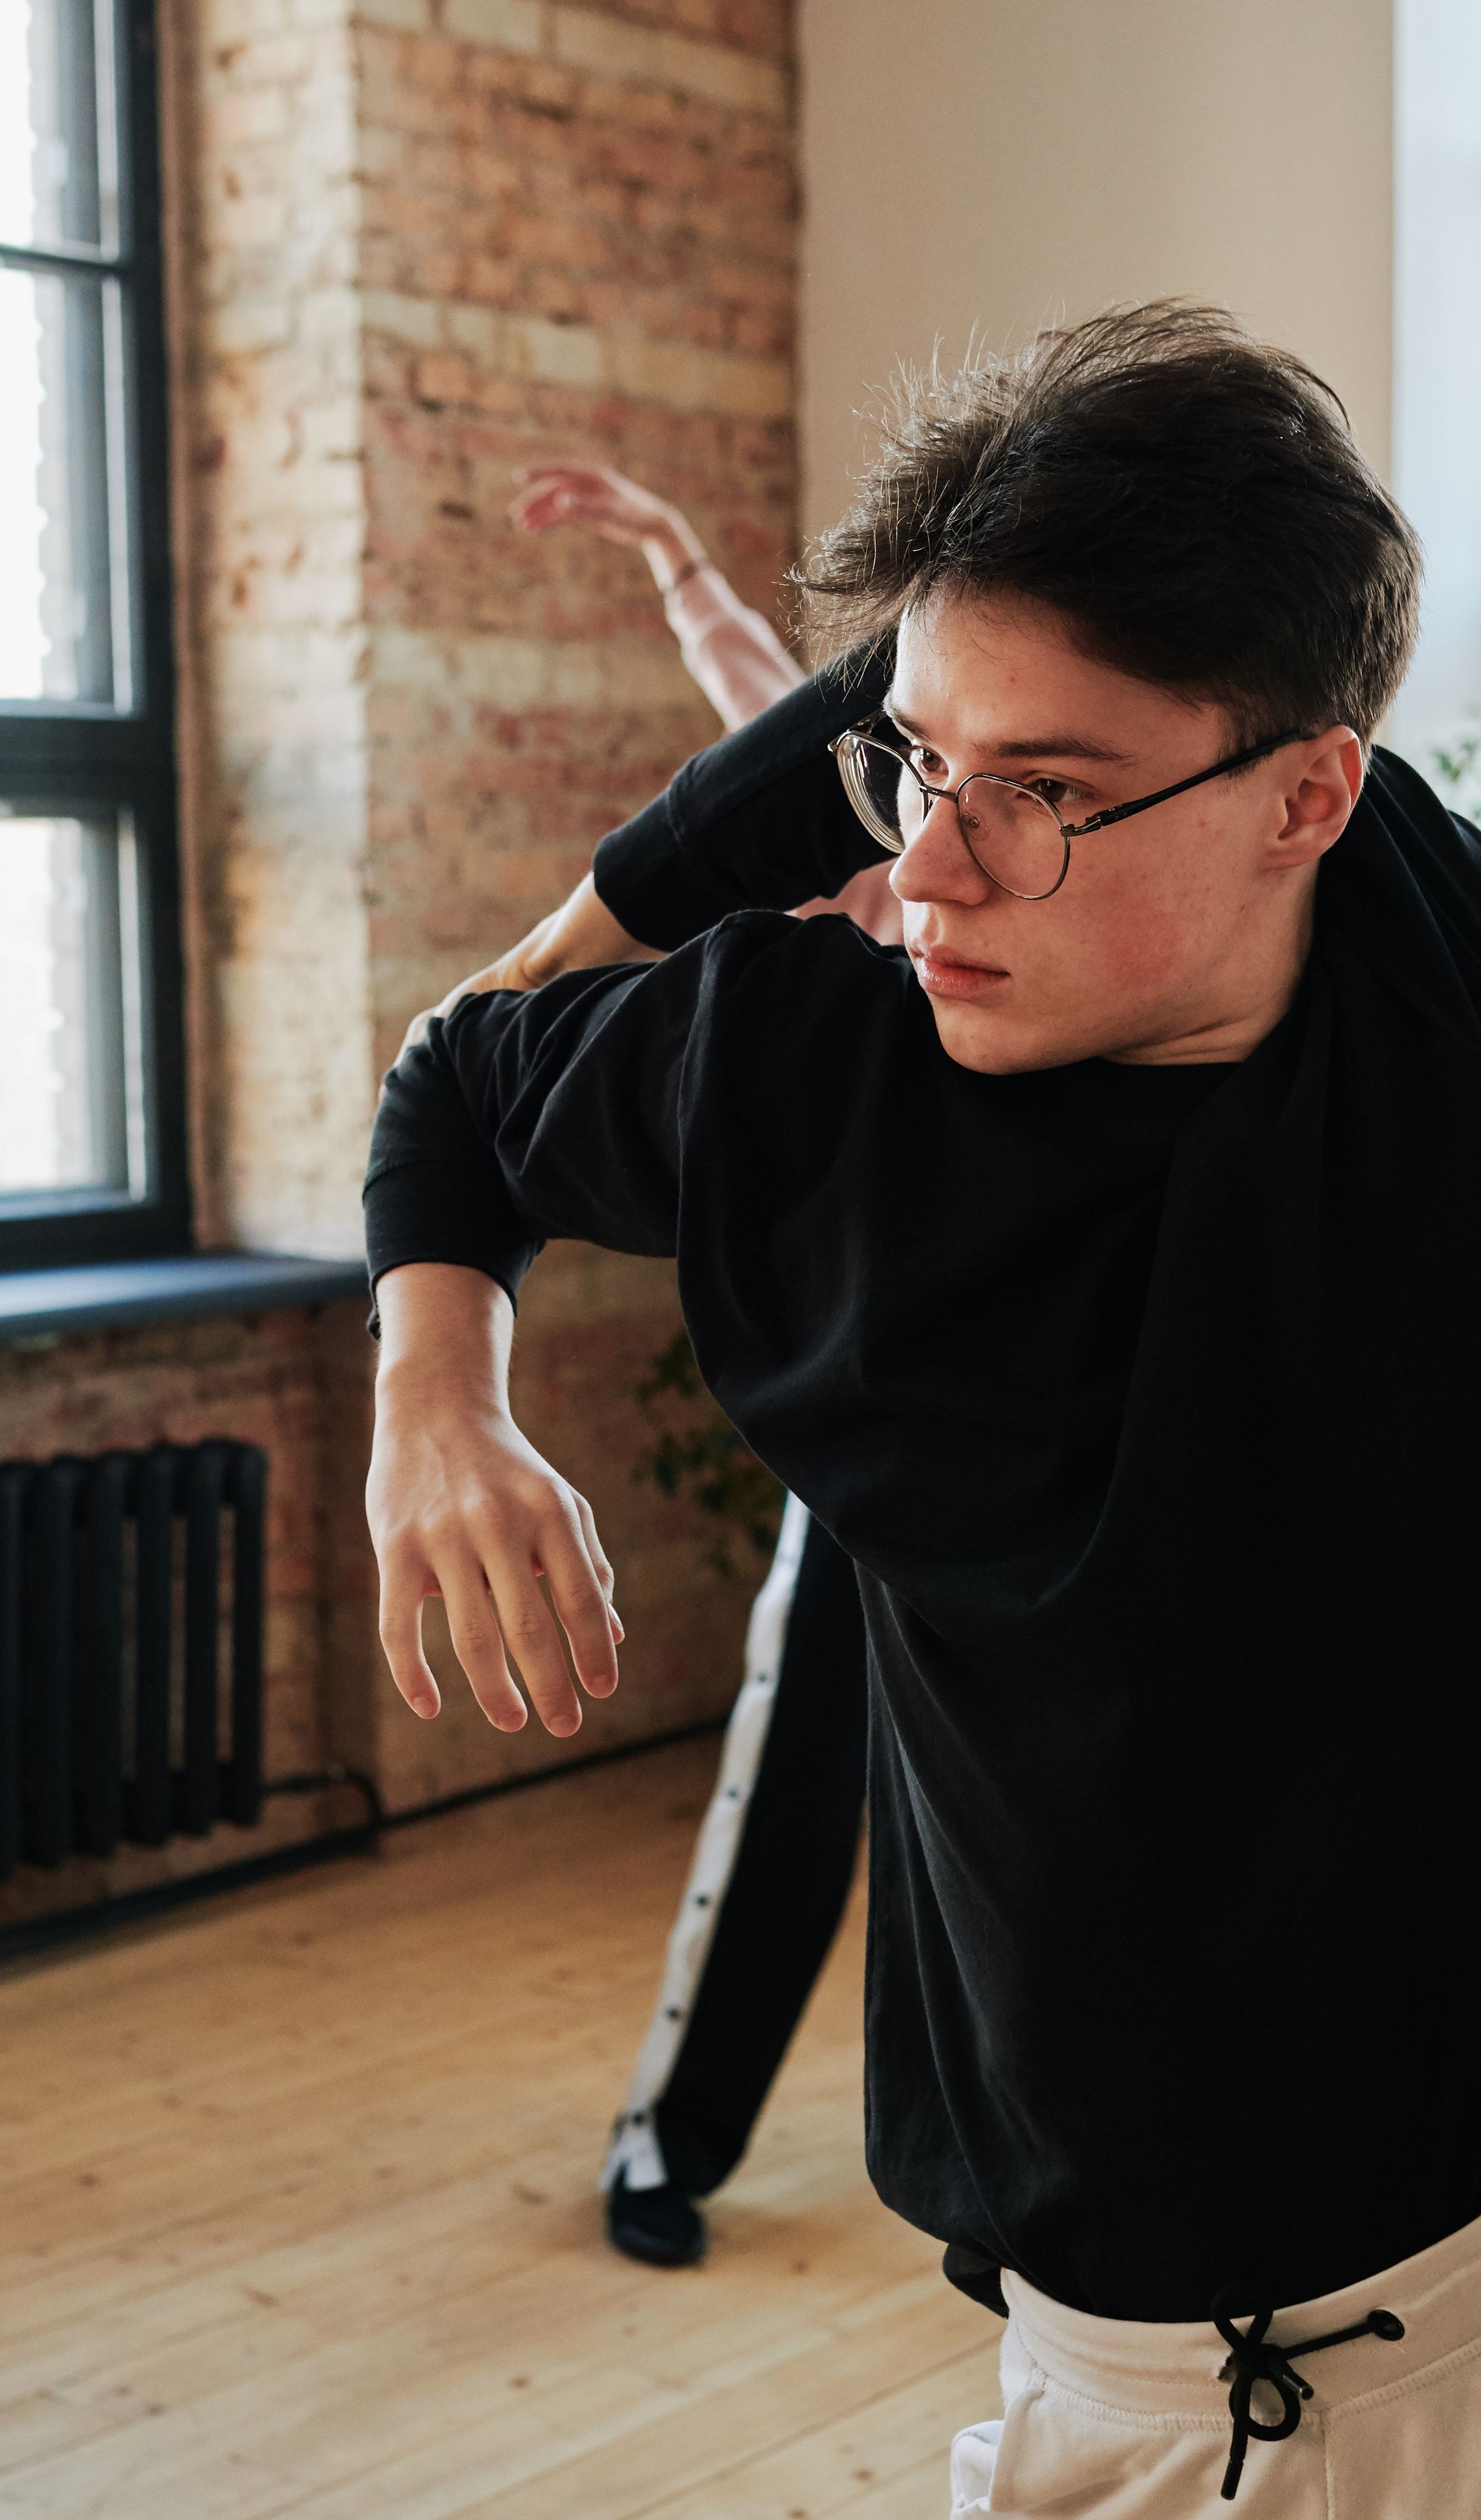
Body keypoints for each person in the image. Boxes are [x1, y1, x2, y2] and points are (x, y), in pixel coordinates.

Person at [368, 306, 1481, 2520]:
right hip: (1123, 2435)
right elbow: (461, 1080)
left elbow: (1183, 608)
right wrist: (435, 1395)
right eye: (916, 769)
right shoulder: (811, 1082)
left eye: (1040, 795)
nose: (932, 865)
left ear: (1313, 802)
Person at [511, 459, 886, 2268]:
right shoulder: (866, 845)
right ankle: (670, 2141)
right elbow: (761, 707)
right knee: (798, 1777)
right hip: (877, 1429)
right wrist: (671, 561)